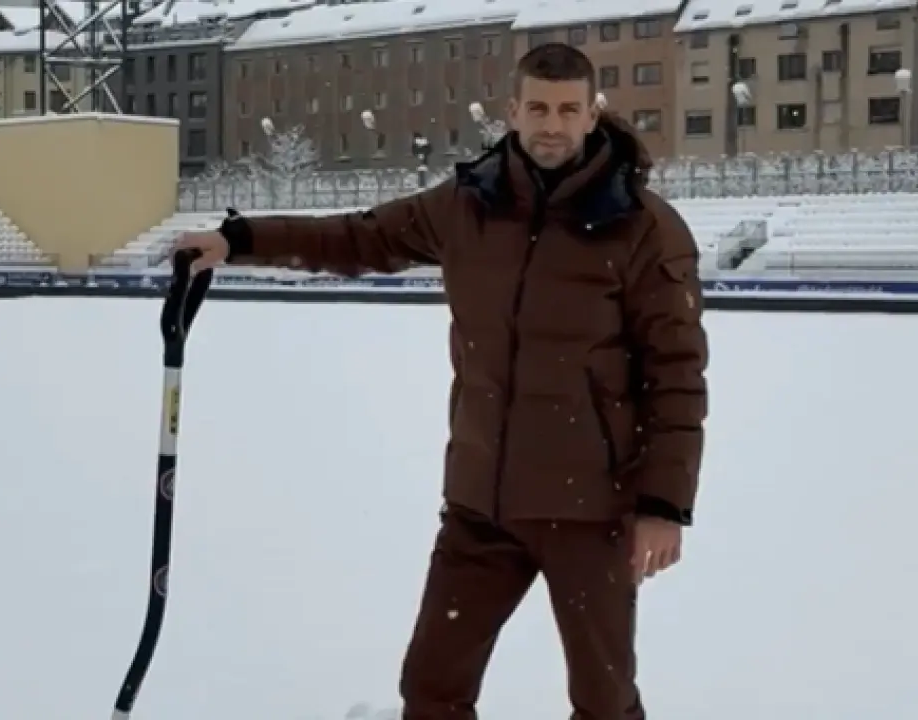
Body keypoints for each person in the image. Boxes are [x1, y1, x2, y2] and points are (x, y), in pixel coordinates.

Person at [173, 42, 709, 720]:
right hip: (480, 505)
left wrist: (662, 505)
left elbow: (677, 375)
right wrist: (239, 239)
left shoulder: (644, 226)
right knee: (431, 689)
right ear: (512, 111)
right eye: (538, 107)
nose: (552, 124)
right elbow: (359, 238)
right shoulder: (470, 204)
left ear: (592, 112)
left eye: (568, 110)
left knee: (604, 700)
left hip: (591, 512)